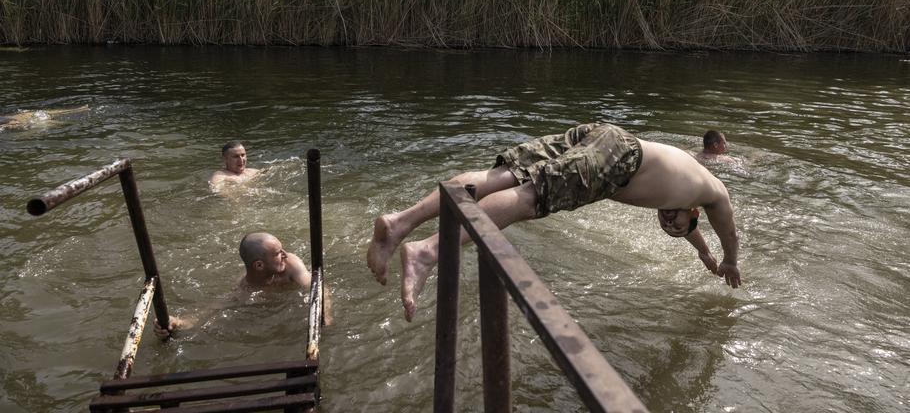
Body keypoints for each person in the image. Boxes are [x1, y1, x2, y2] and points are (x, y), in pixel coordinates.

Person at [367, 123, 742, 322]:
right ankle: (427, 252)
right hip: (620, 154)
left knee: (501, 176)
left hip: (601, 134)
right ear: (694, 211)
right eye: (671, 222)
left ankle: (400, 223)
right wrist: (730, 260)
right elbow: (728, 228)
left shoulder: (685, 191)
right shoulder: (714, 193)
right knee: (531, 197)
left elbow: (691, 231)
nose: (668, 223)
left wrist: (705, 253)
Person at [154, 232, 331, 338]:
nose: (285, 254)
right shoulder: (245, 289)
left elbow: (319, 287)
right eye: (278, 253)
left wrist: (324, 314)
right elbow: (211, 312)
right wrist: (176, 323)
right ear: (259, 265)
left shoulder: (292, 265)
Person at [0, 105, 88, 131]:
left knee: (35, 115)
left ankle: (78, 110)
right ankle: (78, 113)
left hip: (10, 119)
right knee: (36, 116)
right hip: (10, 120)